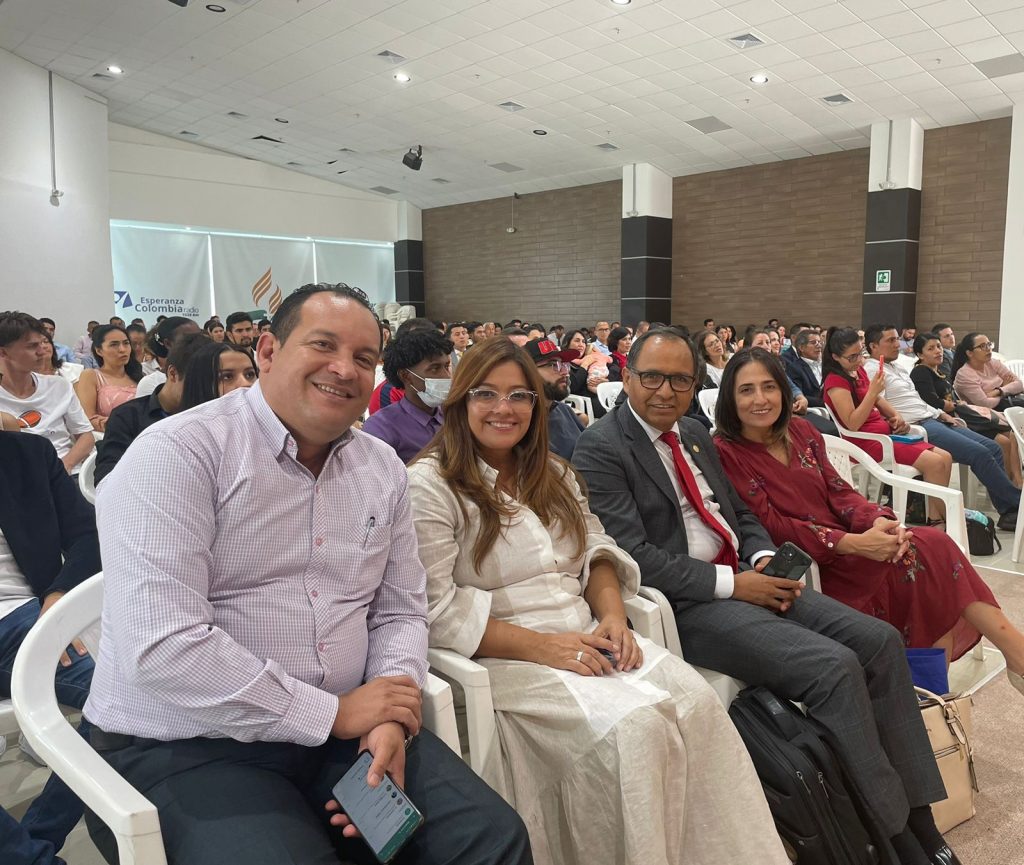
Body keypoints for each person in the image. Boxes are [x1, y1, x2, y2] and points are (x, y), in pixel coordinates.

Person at [83, 283, 531, 865]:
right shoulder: (178, 454)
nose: (344, 369)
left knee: (490, 840)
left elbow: (398, 609)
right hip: (190, 742)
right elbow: (164, 647)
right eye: (323, 345)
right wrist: (336, 714)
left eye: (364, 358)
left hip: (346, 729)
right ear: (267, 351)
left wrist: (390, 712)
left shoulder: (380, 468)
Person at [573, 328, 961, 865]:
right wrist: (736, 584)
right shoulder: (602, 446)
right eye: (652, 377)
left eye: (681, 379)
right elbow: (633, 552)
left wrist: (759, 560)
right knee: (833, 668)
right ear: (628, 377)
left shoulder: (692, 433)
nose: (666, 390)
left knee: (877, 643)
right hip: (690, 605)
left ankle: (920, 816)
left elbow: (741, 513)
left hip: (746, 577)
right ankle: (892, 837)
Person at [407, 337, 786, 865]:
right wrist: (546, 648)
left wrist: (612, 615)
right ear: (459, 402)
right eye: (485, 394)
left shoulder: (554, 474)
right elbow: (436, 609)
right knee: (638, 732)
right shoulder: (431, 486)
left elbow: (598, 551)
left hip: (590, 635)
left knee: (699, 706)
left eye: (520, 396)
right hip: (505, 656)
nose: (504, 409)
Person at [713, 347, 1024, 686]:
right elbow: (771, 524)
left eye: (769, 386)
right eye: (747, 390)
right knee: (930, 570)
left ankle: (939, 691)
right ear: (730, 397)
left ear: (783, 391)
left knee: (929, 551)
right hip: (813, 565)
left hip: (855, 544)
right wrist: (853, 544)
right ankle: (984, 670)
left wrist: (878, 520)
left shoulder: (802, 431)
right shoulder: (726, 452)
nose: (760, 398)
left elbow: (840, 492)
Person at [0, 430, 101, 864]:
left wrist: (58, 598)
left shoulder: (25, 454)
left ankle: (37, 838)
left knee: (122, 696)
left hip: (22, 619)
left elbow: (89, 535)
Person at [864, 324, 1020, 532]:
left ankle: (1008, 510)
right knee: (980, 453)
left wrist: (940, 413)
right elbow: (877, 405)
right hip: (917, 426)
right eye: (891, 341)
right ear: (873, 346)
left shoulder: (898, 368)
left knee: (992, 447)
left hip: (932, 418)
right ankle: (1015, 506)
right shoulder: (873, 370)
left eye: (896, 339)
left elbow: (918, 401)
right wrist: (898, 421)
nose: (897, 344)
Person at [822, 326, 951, 523]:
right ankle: (948, 518)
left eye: (860, 354)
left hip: (885, 436)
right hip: (865, 443)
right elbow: (852, 423)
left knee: (945, 457)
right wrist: (874, 392)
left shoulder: (857, 372)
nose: (858, 361)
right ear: (836, 357)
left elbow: (879, 402)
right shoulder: (836, 382)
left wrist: (896, 415)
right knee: (935, 463)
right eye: (852, 357)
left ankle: (935, 517)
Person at [94, 332, 210, 485]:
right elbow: (106, 477)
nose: (206, 391)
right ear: (173, 374)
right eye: (199, 384)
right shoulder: (127, 417)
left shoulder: (210, 413)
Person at [911, 332, 1021, 488]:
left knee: (1012, 436)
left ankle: (1016, 483)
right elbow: (934, 401)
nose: (938, 351)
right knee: (1001, 443)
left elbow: (1019, 384)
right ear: (920, 354)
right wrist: (955, 405)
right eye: (931, 349)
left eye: (939, 346)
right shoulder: (922, 371)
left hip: (967, 417)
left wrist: (999, 390)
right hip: (958, 420)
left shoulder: (940, 372)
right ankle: (1009, 489)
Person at [0, 313, 93, 473]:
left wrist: (65, 465)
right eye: (31, 346)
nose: (42, 351)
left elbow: (86, 436)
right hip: (17, 478)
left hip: (66, 472)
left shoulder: (59, 385)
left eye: (43, 343)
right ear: (4, 353)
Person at [362, 328, 452, 464]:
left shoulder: (453, 414)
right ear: (406, 376)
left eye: (447, 366)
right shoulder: (382, 427)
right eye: (435, 369)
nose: (446, 376)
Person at [524, 337, 586, 459]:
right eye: (553, 364)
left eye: (564, 364)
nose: (565, 372)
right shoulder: (524, 423)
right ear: (528, 371)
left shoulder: (563, 410)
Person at [74, 325, 143, 433]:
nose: (122, 349)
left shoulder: (140, 376)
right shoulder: (91, 375)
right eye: (114, 345)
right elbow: (87, 419)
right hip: (109, 437)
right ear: (99, 351)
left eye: (126, 343)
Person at [177, 340, 258, 412]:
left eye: (249, 374)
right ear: (202, 384)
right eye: (227, 377)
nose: (245, 384)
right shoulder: (184, 428)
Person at [952, 332, 1024, 410]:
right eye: (982, 346)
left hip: (1007, 404)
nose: (988, 349)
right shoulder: (965, 375)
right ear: (969, 353)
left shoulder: (993, 363)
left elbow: (1019, 384)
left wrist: (998, 391)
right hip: (989, 414)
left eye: (989, 344)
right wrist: (1005, 388)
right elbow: (985, 403)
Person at [136, 317, 202, 398]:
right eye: (190, 340)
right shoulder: (151, 383)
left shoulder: (209, 372)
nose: (199, 343)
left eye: (200, 337)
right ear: (168, 344)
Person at [783, 328, 824, 406]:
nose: (819, 345)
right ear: (801, 347)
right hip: (815, 410)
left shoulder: (826, 365)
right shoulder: (794, 368)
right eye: (814, 342)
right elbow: (799, 396)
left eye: (819, 342)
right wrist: (827, 402)